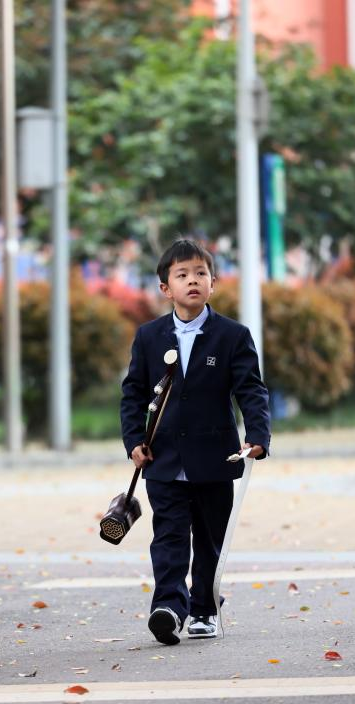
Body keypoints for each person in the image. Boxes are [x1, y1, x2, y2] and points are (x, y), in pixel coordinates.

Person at [120, 238, 270, 645]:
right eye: (182, 274)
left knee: (208, 540)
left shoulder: (232, 336)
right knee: (168, 537)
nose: (193, 280)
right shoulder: (149, 337)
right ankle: (168, 608)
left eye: (201, 273)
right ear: (165, 288)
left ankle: (205, 608)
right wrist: (133, 441)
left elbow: (251, 390)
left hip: (216, 458)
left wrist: (258, 435)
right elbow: (133, 395)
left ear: (213, 283)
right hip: (163, 459)